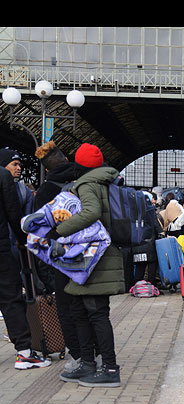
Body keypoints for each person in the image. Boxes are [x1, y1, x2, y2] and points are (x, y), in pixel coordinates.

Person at [53, 143, 125, 387]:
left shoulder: (86, 184)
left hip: (96, 258)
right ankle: (87, 363)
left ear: (79, 165)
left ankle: (110, 368)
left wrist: (60, 229)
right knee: (80, 309)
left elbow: (92, 212)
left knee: (96, 312)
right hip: (96, 256)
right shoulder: (107, 181)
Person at [34, 141, 89, 372]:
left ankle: (77, 357)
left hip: (62, 259)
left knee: (66, 309)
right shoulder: (86, 180)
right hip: (90, 253)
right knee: (90, 308)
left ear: (46, 169)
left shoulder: (46, 191)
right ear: (67, 159)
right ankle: (93, 352)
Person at [0, 162, 51, 369]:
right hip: (1, 249)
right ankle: (24, 352)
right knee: (11, 298)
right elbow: (13, 213)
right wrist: (22, 240)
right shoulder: (2, 176)